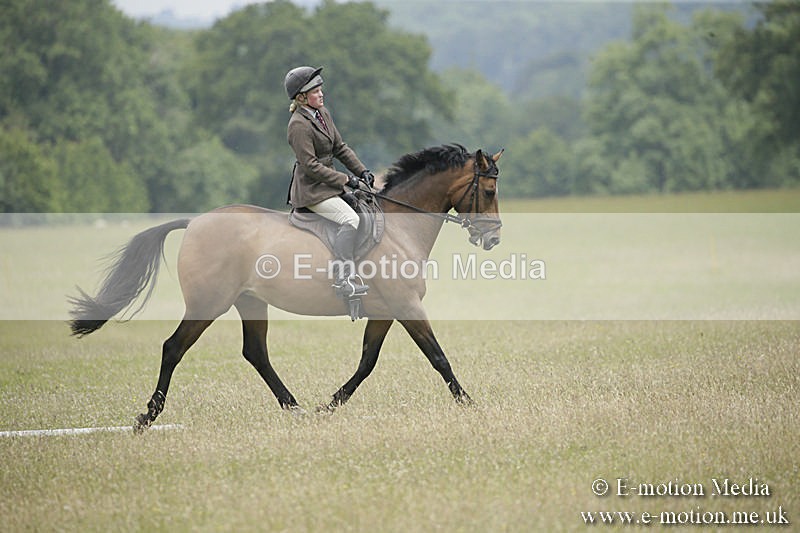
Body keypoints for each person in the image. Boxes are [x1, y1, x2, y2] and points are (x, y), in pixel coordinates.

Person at [284, 65, 375, 303]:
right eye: (316, 91)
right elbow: (310, 165)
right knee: (350, 219)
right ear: (302, 98)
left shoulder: (323, 113)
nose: (321, 94)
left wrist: (362, 170)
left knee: (366, 207)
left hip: (329, 186)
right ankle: (342, 279)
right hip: (312, 191)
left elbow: (340, 148)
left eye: (321, 89)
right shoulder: (298, 125)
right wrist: (346, 179)